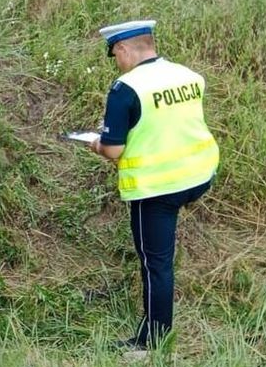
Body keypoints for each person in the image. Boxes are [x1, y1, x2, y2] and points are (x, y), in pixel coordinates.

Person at [89, 20, 220, 350]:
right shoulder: (187, 76)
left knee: (155, 263)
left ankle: (153, 341)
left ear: (123, 49)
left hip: (158, 187)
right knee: (161, 257)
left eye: (114, 55)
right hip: (199, 175)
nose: (116, 63)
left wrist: (97, 144)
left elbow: (114, 149)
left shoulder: (126, 89)